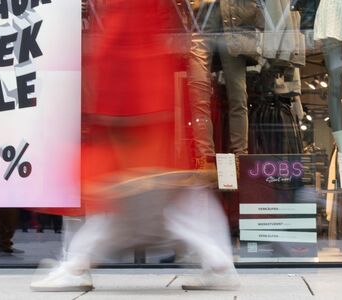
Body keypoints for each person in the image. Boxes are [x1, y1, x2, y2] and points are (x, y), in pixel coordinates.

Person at [29, 0, 238, 292]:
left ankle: (75, 265)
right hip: (142, 97)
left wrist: (108, 104)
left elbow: (123, 38)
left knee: (130, 192)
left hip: (132, 101)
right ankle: (217, 262)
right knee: (153, 195)